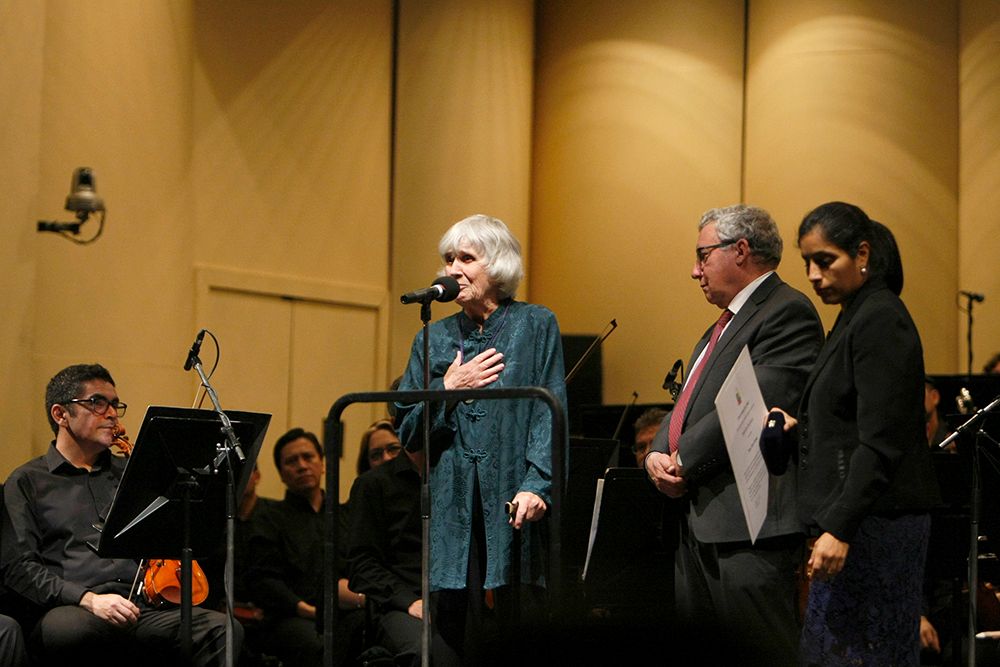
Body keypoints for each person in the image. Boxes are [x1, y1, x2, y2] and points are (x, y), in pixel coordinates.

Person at [644, 204, 823, 665]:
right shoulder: (720, 325)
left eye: (703, 256)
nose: (694, 270)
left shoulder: (787, 312)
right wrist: (656, 451)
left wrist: (680, 459)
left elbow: (749, 408)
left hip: (749, 529)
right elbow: (688, 400)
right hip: (701, 522)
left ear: (740, 250)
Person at [395, 214, 567, 665]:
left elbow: (550, 411)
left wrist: (538, 482)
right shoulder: (431, 337)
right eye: (448, 258)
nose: (452, 268)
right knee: (454, 633)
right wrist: (448, 391)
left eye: (466, 258)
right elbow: (408, 430)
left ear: (498, 266)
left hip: (514, 499)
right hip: (452, 503)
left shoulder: (535, 324)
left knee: (514, 632)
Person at [777, 202, 940, 666]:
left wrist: (839, 527)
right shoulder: (855, 314)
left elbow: (882, 440)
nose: (812, 274)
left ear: (862, 253)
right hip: (859, 522)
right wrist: (798, 426)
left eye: (825, 260)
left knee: (865, 656)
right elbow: (847, 422)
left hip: (875, 524)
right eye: (807, 262)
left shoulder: (880, 317)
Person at [0, 363, 234, 666]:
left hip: (143, 605)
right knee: (72, 631)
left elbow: (171, 537)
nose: (111, 413)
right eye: (97, 403)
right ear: (61, 415)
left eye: (114, 404)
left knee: (223, 630)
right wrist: (88, 599)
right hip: (74, 607)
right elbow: (20, 568)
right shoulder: (27, 481)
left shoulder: (131, 474)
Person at [243, 427, 364, 667]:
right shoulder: (268, 519)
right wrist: (305, 609)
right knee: (317, 644)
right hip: (290, 617)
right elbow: (263, 581)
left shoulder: (345, 516)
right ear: (281, 475)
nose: (301, 465)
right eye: (291, 461)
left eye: (308, 457)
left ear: (322, 464)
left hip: (343, 612)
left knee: (367, 632)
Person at [347, 434, 423, 667]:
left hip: (456, 602)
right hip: (399, 604)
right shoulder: (374, 483)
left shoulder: (459, 474)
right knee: (428, 652)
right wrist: (408, 601)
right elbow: (361, 564)